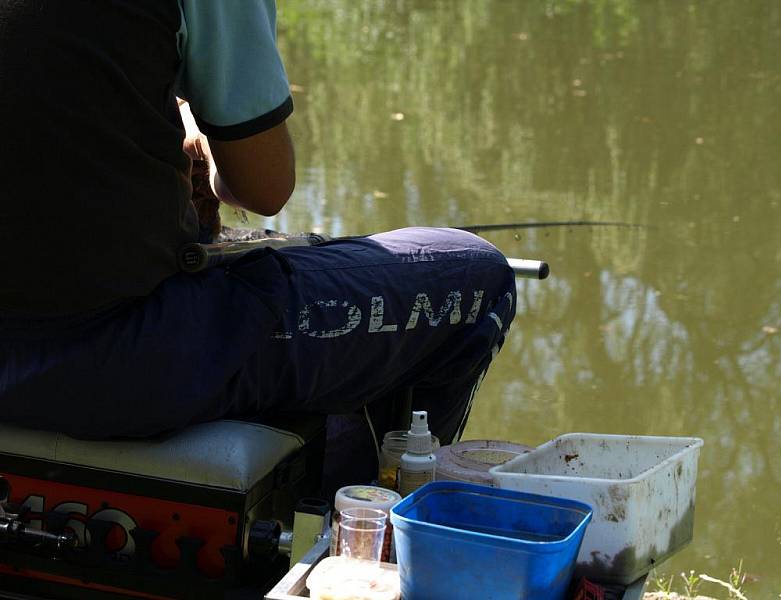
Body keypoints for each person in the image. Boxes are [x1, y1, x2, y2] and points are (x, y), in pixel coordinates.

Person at [0, 1, 515, 491]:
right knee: (476, 271)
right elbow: (263, 187)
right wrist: (200, 131)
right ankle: (347, 529)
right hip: (117, 357)